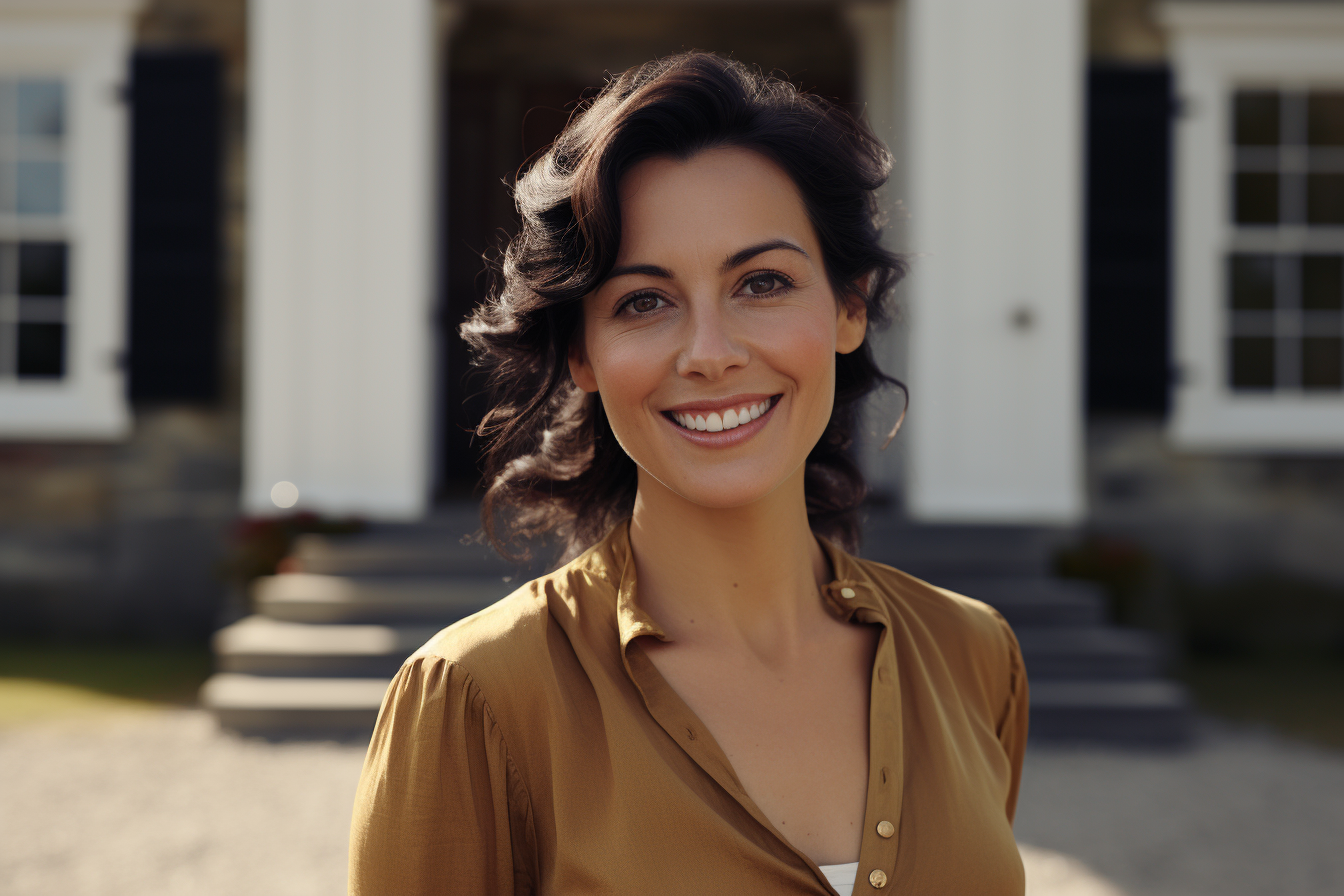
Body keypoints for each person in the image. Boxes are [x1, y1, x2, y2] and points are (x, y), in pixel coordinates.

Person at [349, 52, 1028, 896]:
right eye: (644, 301)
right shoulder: (476, 699)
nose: (710, 353)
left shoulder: (973, 657)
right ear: (583, 354)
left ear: (849, 307)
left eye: (764, 282)